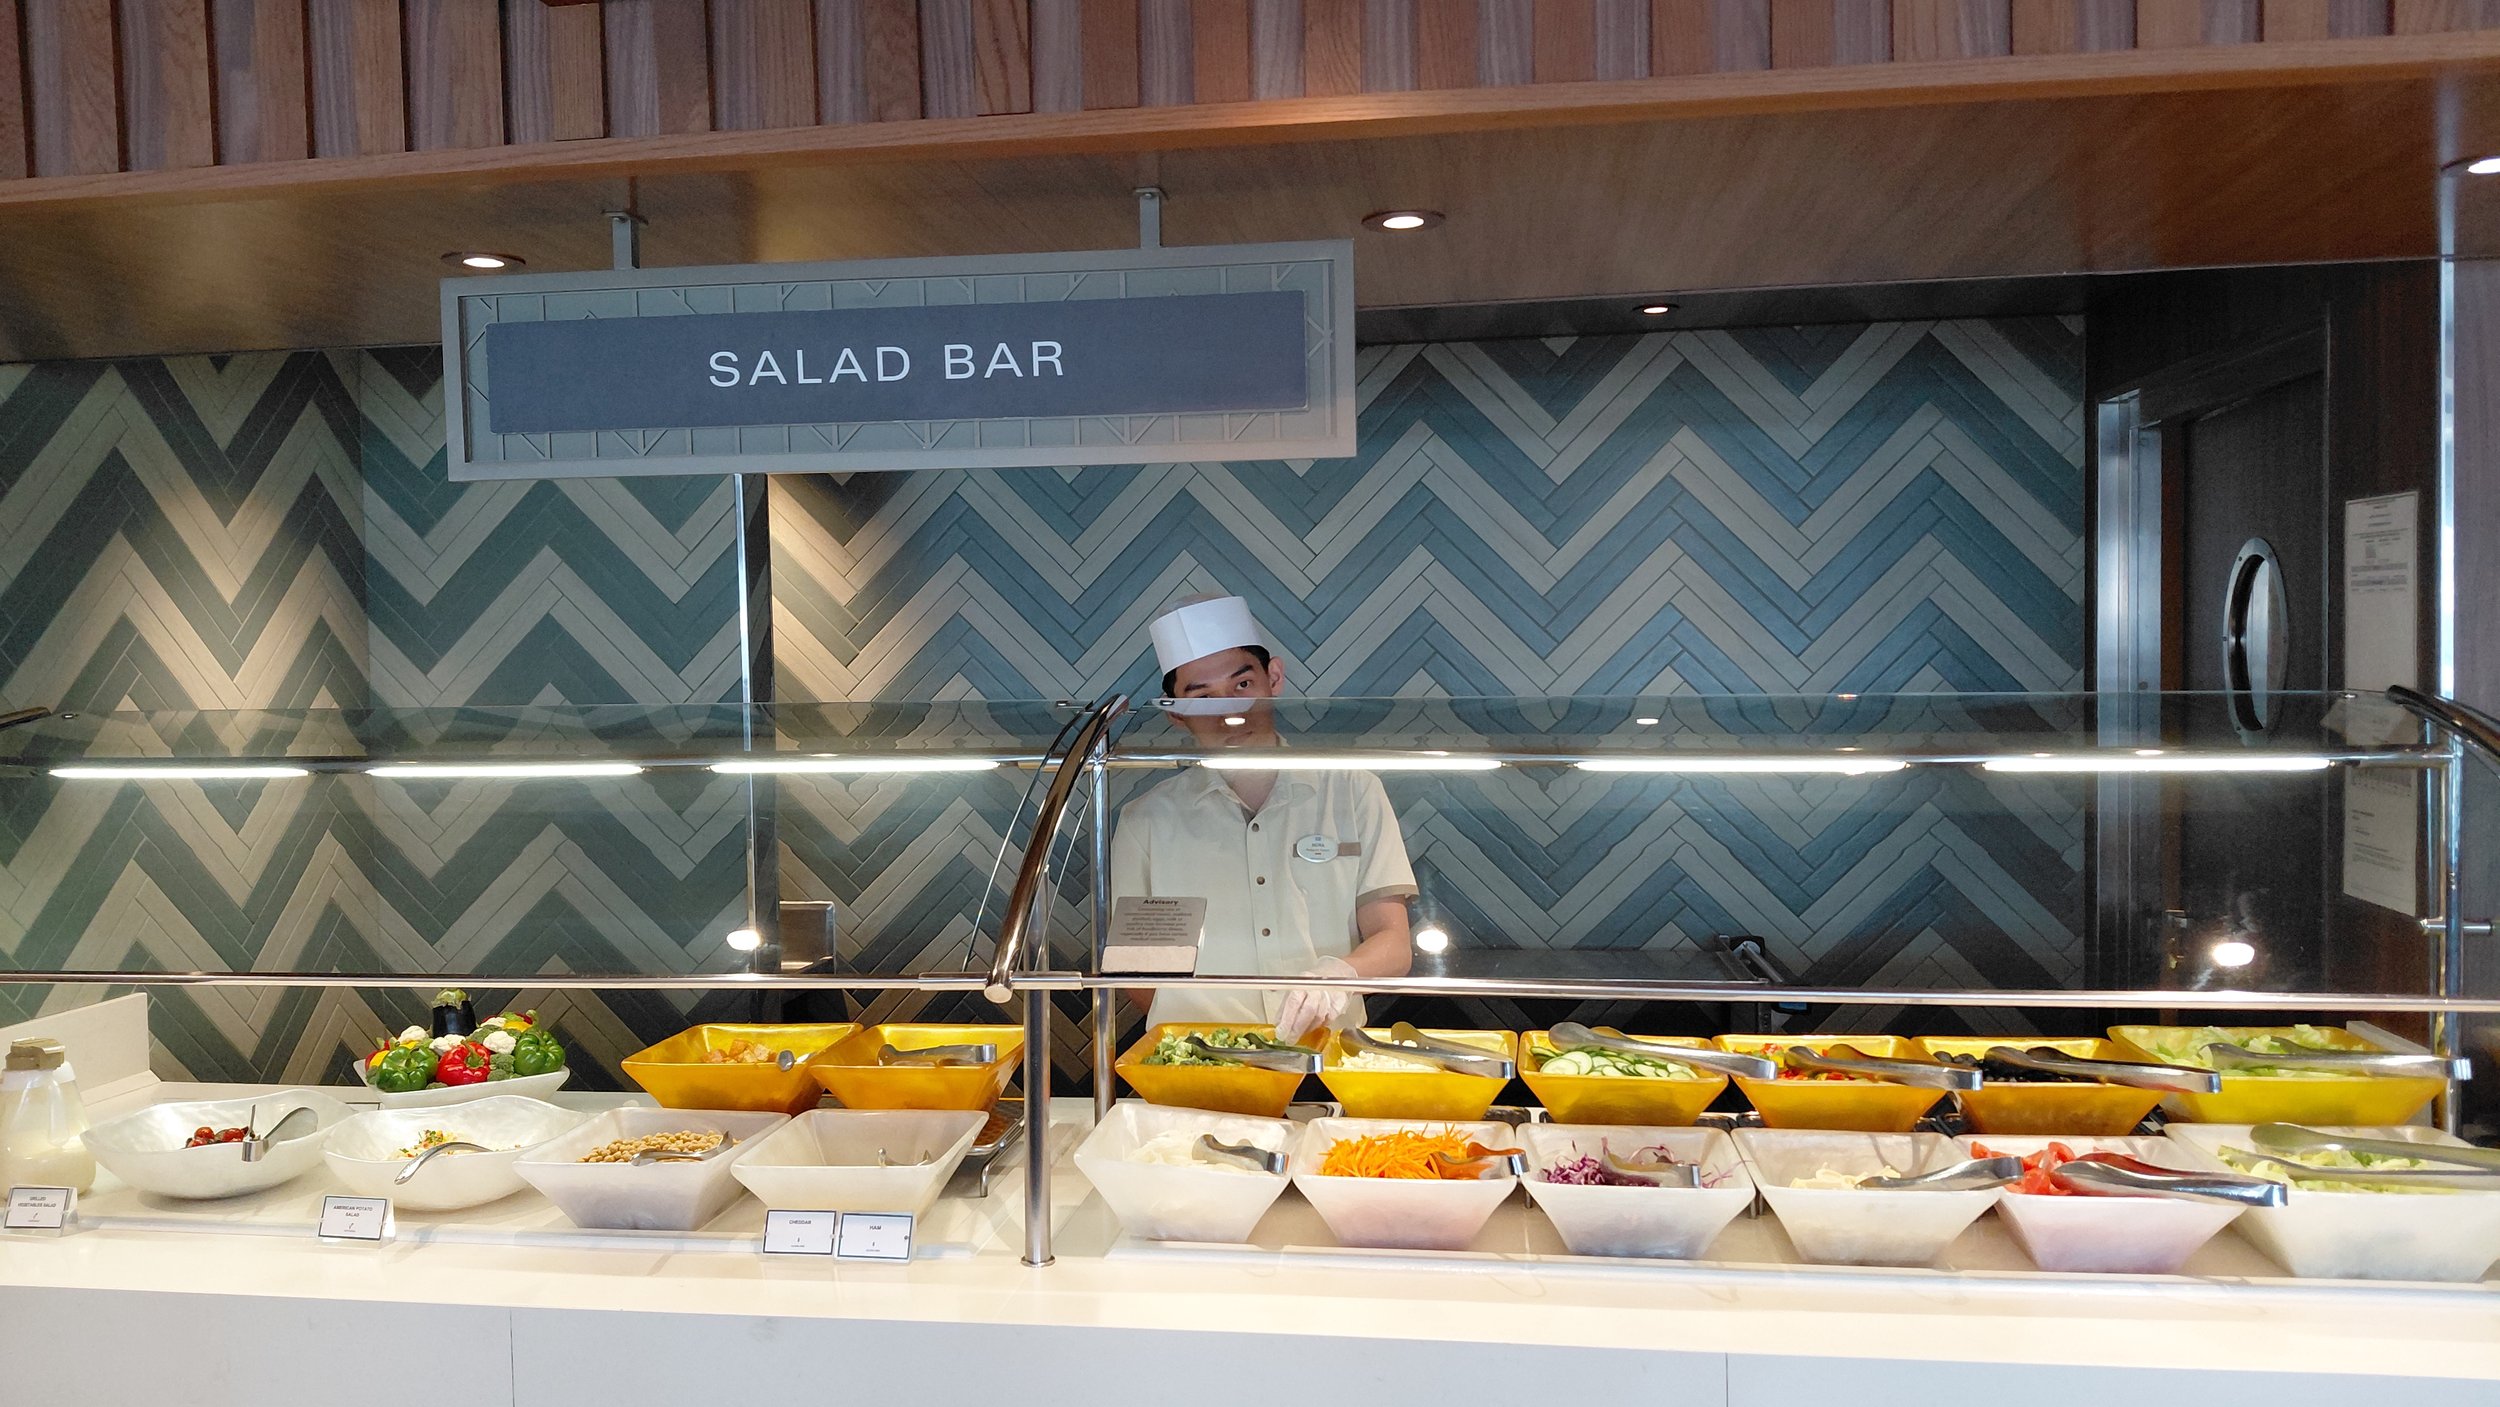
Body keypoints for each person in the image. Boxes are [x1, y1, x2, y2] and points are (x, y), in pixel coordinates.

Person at [1108, 595, 1417, 1043]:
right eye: (1202, 698)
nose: (1229, 713)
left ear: (1274, 677)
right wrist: (1202, 1048)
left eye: (1241, 685)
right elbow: (1138, 970)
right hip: (1204, 1068)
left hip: (1328, 1055)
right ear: (1175, 713)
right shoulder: (1147, 821)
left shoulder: (1353, 791)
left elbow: (1394, 943)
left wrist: (1335, 977)